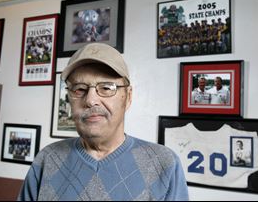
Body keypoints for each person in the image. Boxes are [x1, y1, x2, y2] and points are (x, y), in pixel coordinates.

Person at [17, 43, 189, 201]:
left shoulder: (164, 164)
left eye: (106, 88)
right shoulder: (47, 159)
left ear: (128, 97)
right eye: (79, 89)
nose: (91, 100)